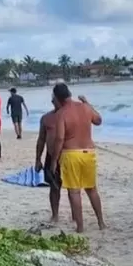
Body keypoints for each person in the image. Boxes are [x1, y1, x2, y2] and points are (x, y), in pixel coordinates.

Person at [50, 83, 106, 233]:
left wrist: (54, 160)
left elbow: (60, 138)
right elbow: (99, 120)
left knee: (74, 191)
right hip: (89, 152)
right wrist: (87, 102)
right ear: (69, 93)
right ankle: (101, 222)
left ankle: (80, 227)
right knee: (92, 189)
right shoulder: (85, 107)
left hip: (71, 153)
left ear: (57, 98)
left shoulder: (61, 113)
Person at [35, 95, 74, 224]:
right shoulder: (46, 118)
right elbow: (41, 139)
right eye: (52, 99)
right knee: (54, 187)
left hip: (68, 155)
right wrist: (38, 159)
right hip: (51, 155)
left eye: (54, 98)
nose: (52, 101)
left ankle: (75, 214)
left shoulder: (70, 116)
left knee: (72, 187)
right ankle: (55, 214)